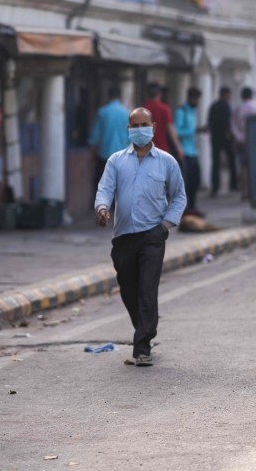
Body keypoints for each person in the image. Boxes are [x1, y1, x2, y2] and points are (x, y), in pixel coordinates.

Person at [95, 107, 186, 367]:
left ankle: (142, 346)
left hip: (153, 235)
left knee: (147, 289)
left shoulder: (167, 162)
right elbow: (105, 190)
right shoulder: (116, 161)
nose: (139, 129)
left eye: (144, 124)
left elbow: (179, 196)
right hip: (123, 237)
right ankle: (143, 329)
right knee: (129, 289)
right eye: (134, 125)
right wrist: (102, 209)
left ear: (154, 127)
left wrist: (165, 226)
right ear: (128, 129)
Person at [88, 87, 130, 191]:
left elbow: (95, 136)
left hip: (104, 155)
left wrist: (91, 154)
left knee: (103, 186)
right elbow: (132, 138)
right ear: (120, 97)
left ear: (109, 97)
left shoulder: (102, 112)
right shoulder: (127, 114)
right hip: (122, 157)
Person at [174, 87, 206, 217]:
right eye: (196, 99)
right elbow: (177, 131)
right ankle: (184, 209)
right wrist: (194, 130)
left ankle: (193, 207)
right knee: (185, 183)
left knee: (195, 181)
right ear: (190, 98)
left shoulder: (193, 111)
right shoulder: (182, 111)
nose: (197, 101)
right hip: (184, 152)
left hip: (193, 151)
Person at [231, 87, 256, 198]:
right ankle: (253, 191)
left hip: (242, 142)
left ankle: (244, 192)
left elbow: (233, 126)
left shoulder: (238, 109)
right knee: (255, 166)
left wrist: (239, 138)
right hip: (255, 141)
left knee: (243, 167)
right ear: (251, 95)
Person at [207, 87, 237, 196]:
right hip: (226, 137)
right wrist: (232, 137)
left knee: (215, 162)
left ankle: (215, 187)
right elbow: (228, 124)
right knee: (232, 160)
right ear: (225, 94)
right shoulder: (226, 106)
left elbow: (209, 122)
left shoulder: (213, 106)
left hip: (215, 138)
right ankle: (233, 185)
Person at [142, 82, 183, 162]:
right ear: (159, 94)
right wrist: (178, 148)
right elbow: (170, 129)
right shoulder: (164, 109)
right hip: (161, 150)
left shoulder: (142, 109)